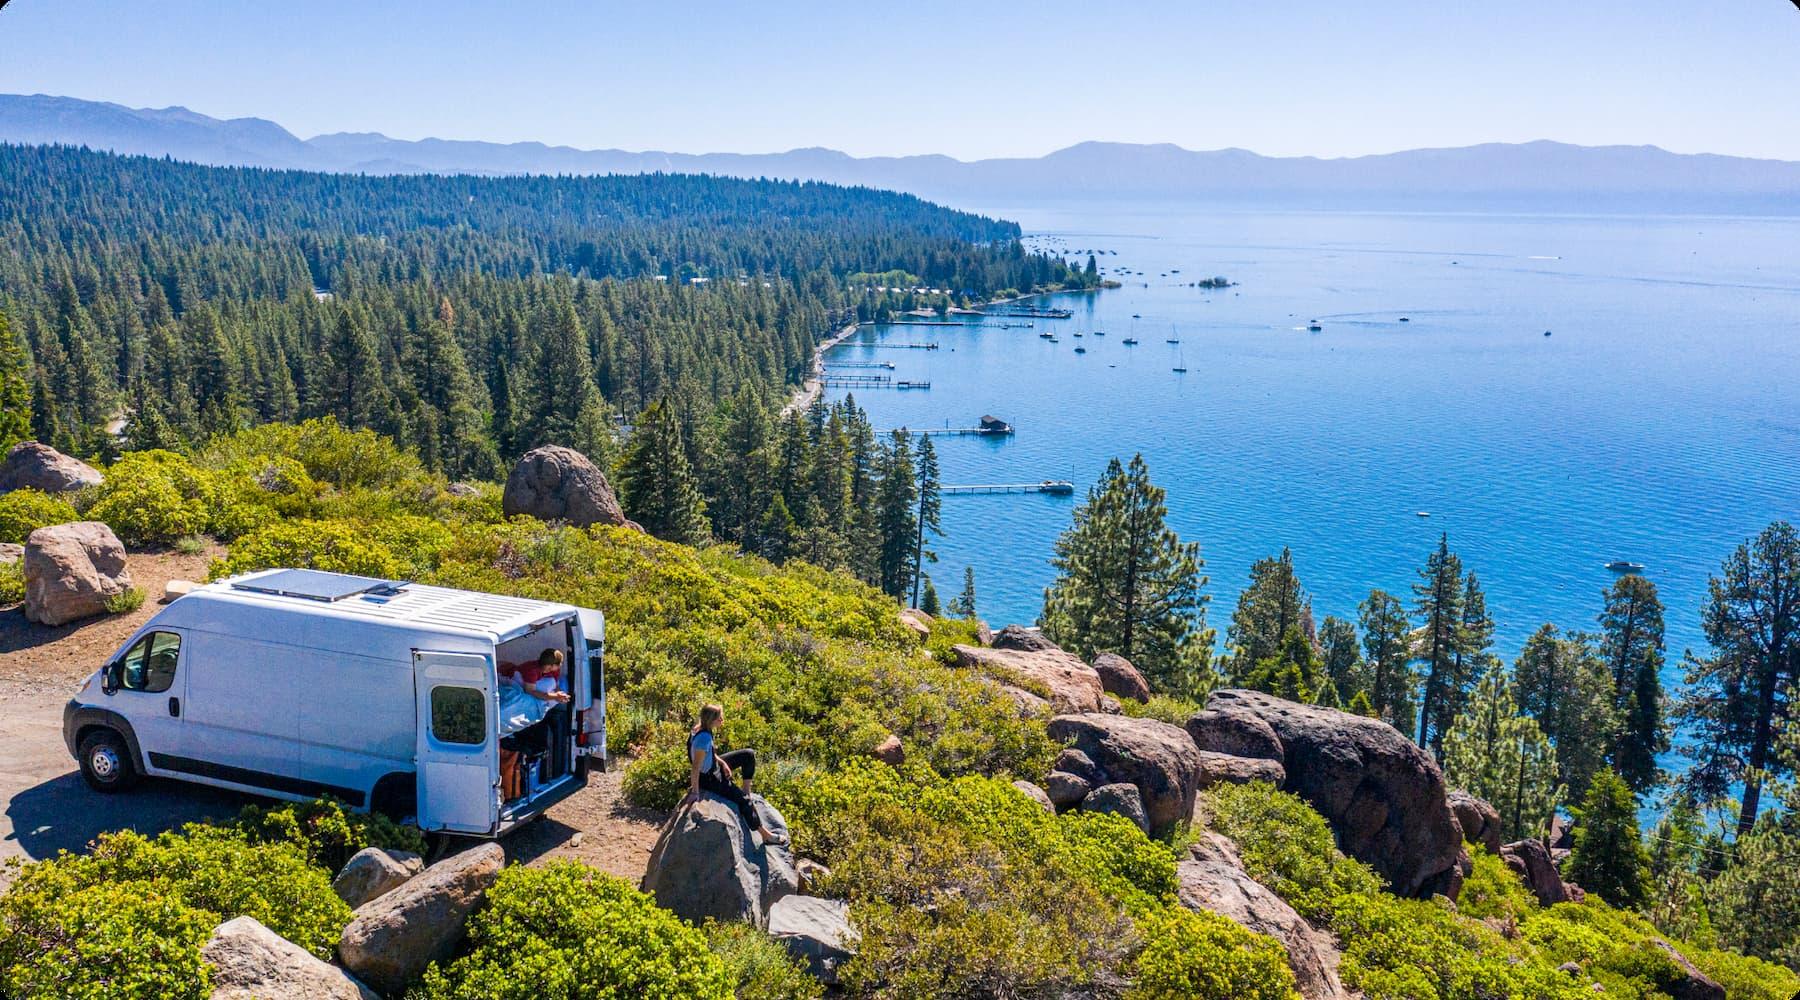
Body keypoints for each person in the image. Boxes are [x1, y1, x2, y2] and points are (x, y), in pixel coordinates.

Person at [685, 703, 786, 846]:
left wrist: (722, 763)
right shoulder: (704, 738)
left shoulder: (700, 729)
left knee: (748, 755)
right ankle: (766, 835)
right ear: (711, 720)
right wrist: (695, 792)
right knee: (743, 801)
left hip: (714, 767)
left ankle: (746, 791)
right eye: (719, 718)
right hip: (709, 778)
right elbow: (696, 767)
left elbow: (709, 752)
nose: (722, 720)